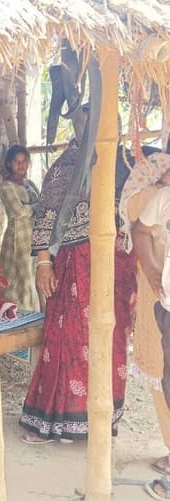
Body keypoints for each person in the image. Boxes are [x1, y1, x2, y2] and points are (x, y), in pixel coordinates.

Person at [19, 142, 137, 443]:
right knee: (69, 338)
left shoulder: (128, 162)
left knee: (112, 342)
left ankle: (99, 421)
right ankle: (53, 420)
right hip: (77, 264)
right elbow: (46, 216)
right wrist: (44, 263)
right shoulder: (67, 166)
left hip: (118, 267)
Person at [118, 149, 170, 497]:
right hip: (161, 296)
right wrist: (152, 269)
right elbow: (138, 227)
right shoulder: (152, 185)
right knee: (163, 372)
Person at [0, 145, 40, 311]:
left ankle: (38, 312)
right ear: (9, 164)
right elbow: (19, 211)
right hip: (18, 238)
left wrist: (31, 207)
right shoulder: (6, 186)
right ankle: (23, 313)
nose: (20, 165)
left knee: (34, 274)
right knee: (21, 277)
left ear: (28, 163)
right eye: (16, 162)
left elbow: (41, 204)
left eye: (24, 161)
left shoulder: (30, 184)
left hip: (34, 237)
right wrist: (34, 207)